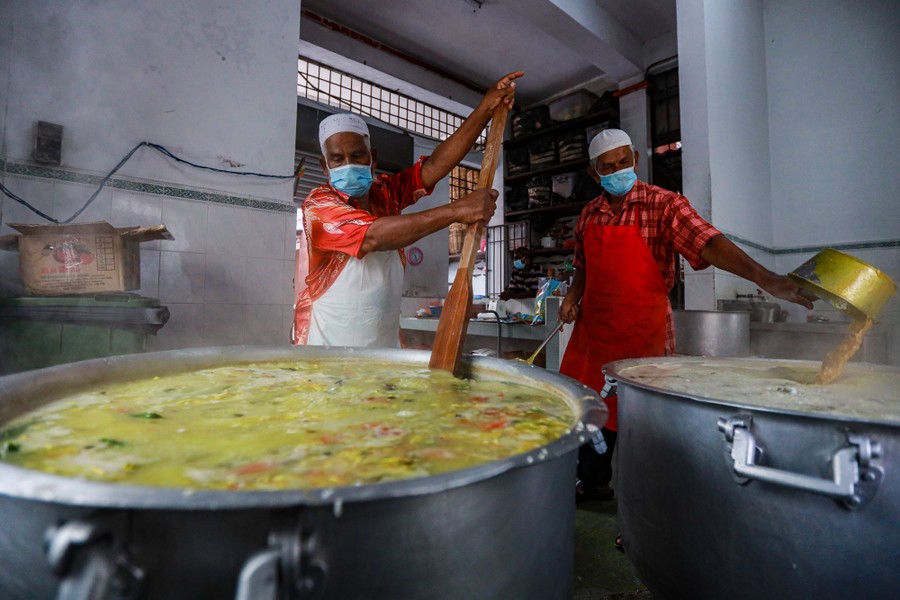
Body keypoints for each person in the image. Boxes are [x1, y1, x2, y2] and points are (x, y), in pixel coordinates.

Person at [559, 128, 814, 503]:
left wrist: (766, 278)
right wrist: (572, 297)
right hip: (595, 332)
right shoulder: (588, 215)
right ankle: (595, 483)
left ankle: (644, 509)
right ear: (594, 173)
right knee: (595, 413)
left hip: (644, 332)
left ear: (635, 159)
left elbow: (706, 241)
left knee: (643, 421)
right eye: (608, 167)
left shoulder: (664, 204)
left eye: (624, 162)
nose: (618, 171)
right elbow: (582, 266)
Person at [293, 71, 525, 347]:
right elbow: (373, 236)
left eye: (357, 155)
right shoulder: (319, 205)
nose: (348, 164)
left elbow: (434, 166)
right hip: (325, 346)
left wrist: (485, 109)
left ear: (372, 158)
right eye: (337, 159)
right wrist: (457, 210)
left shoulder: (386, 193)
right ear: (325, 166)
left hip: (381, 345)